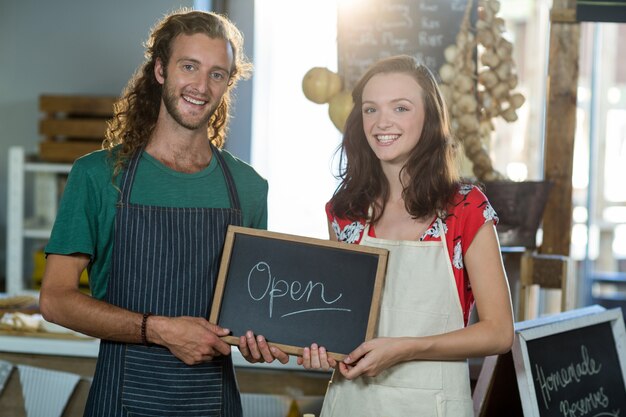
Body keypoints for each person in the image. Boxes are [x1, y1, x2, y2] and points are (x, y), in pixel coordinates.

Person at [39, 9, 287, 416]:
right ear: (160, 70)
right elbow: (55, 300)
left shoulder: (249, 189)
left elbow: (254, 312)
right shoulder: (98, 176)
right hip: (120, 400)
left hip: (214, 403)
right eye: (189, 67)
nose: (201, 86)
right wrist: (159, 330)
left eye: (217, 74)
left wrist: (262, 340)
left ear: (228, 84)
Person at [298, 55, 514, 416]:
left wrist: (406, 348)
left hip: (433, 405)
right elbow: (340, 319)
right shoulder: (344, 212)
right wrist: (320, 348)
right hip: (352, 402)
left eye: (400, 108)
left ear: (429, 117)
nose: (382, 122)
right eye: (370, 110)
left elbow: (499, 332)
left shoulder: (465, 209)